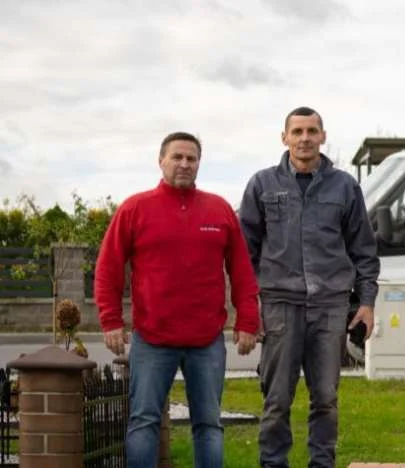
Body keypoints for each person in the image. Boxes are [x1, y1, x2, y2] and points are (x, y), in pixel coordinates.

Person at [94, 131, 260, 468]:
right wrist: (111, 320)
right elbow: (108, 267)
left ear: (199, 164)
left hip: (206, 342)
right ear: (161, 161)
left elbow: (242, 271)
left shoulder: (220, 210)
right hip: (153, 339)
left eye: (192, 158)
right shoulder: (135, 209)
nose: (185, 164)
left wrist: (247, 321)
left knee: (209, 424)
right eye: (177, 157)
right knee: (144, 422)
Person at [239, 106, 380, 468]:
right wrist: (248, 303)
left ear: (323, 136)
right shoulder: (262, 185)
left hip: (330, 307)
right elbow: (244, 251)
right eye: (297, 131)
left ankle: (322, 464)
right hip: (280, 305)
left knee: (326, 399)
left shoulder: (345, 186)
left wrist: (366, 302)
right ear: (284, 138)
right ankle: (273, 464)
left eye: (311, 131)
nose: (304, 138)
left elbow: (363, 249)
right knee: (276, 400)